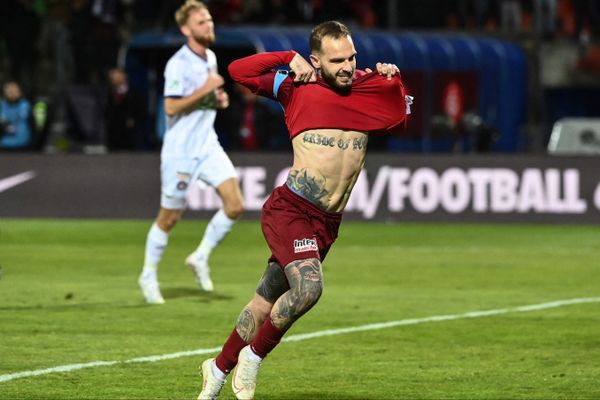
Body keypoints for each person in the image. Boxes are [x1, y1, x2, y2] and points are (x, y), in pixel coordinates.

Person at [197, 21, 409, 399]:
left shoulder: (369, 85)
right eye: (337, 60)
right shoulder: (295, 86)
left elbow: (403, 117)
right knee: (309, 288)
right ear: (316, 60)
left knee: (264, 301)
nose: (347, 66)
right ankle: (254, 357)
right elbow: (238, 71)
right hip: (291, 209)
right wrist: (286, 58)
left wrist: (393, 77)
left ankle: (215, 370)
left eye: (352, 57)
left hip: (327, 222)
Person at [138, 0, 244, 304]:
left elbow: (204, 98)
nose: (208, 26)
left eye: (209, 20)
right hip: (181, 151)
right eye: (201, 23)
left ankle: (200, 256)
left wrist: (217, 99)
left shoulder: (210, 57)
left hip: (207, 145)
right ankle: (147, 274)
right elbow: (171, 106)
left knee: (235, 204)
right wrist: (206, 90)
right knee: (169, 218)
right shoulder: (178, 64)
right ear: (186, 29)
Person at [105, 67, 147, 151]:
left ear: (124, 76)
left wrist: (134, 120)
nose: (112, 78)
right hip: (113, 136)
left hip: (129, 137)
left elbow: (141, 110)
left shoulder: (134, 93)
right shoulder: (110, 93)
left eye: (116, 75)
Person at [0, 80, 33, 150]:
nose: (11, 94)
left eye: (14, 91)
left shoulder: (24, 105)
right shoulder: (3, 104)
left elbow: (23, 119)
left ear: (19, 92)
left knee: (22, 125)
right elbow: (3, 119)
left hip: (21, 138)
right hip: (5, 137)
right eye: (9, 92)